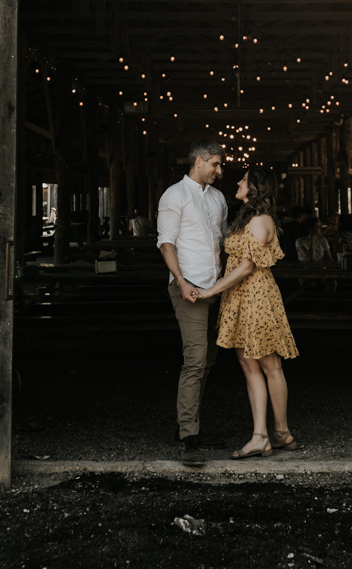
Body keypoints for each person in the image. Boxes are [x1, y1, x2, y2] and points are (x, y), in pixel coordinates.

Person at [193, 167, 300, 459]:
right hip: (240, 298)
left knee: (270, 366)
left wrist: (209, 290)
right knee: (250, 366)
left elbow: (247, 266)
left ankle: (271, 434)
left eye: (244, 179)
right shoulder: (247, 217)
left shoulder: (260, 219)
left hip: (256, 298)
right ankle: (272, 435)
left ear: (256, 188)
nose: (238, 182)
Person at [156, 139, 229, 467]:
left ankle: (189, 424)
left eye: (220, 165)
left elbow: (223, 242)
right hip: (190, 290)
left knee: (209, 359)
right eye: (215, 163)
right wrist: (182, 282)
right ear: (198, 161)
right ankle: (188, 437)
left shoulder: (218, 198)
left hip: (216, 290)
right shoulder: (175, 195)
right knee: (195, 360)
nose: (219, 170)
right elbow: (166, 243)